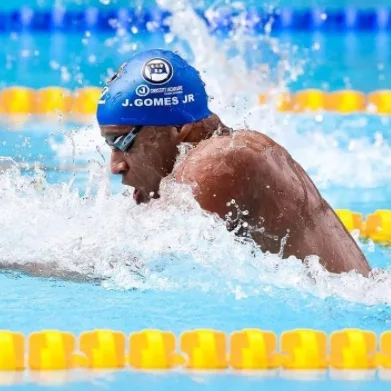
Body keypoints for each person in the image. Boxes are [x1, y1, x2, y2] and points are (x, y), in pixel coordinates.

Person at [97, 49, 372, 277]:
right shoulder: (229, 150)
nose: (116, 166)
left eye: (122, 143)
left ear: (178, 126)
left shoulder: (220, 159)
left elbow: (128, 262)